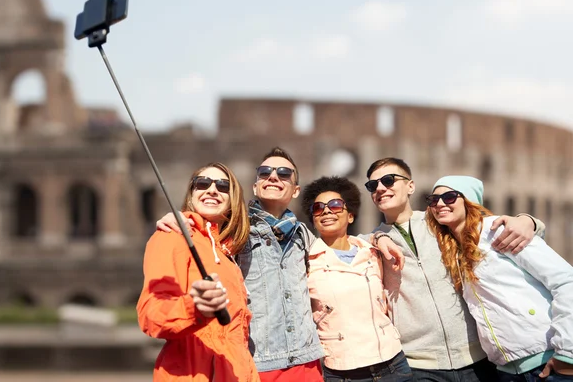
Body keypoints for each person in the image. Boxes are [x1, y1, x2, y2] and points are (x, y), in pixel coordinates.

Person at [364, 158, 546, 382]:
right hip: (419, 364)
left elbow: (488, 225)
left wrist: (529, 221)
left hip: (477, 359)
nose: (380, 188)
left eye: (388, 180)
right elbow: (343, 244)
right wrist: (378, 236)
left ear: (410, 186)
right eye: (372, 186)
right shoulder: (367, 244)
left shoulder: (441, 221)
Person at [157, 148, 325, 381]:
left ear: (295, 190)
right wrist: (179, 217)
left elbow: (341, 252)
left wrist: (380, 237)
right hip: (259, 363)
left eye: (284, 173)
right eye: (265, 172)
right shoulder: (236, 230)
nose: (273, 177)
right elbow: (206, 228)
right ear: (255, 186)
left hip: (307, 362)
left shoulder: (303, 235)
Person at [425, 175, 573, 382]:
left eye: (449, 197)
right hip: (506, 372)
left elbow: (565, 281)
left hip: (548, 361)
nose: (439, 203)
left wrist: (567, 353)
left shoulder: (498, 230)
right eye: (433, 199)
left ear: (469, 202)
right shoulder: (451, 250)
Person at [136, 162, 259, 381]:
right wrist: (196, 308)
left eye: (222, 186)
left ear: (233, 199)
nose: (212, 189)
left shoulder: (228, 256)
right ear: (191, 194)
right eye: (202, 183)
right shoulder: (171, 236)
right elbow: (151, 315)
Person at [301, 176, 412, 382]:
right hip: (341, 369)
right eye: (318, 208)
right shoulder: (305, 261)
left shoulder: (373, 252)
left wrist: (378, 236)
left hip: (392, 363)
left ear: (350, 216)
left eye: (335, 205)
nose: (326, 211)